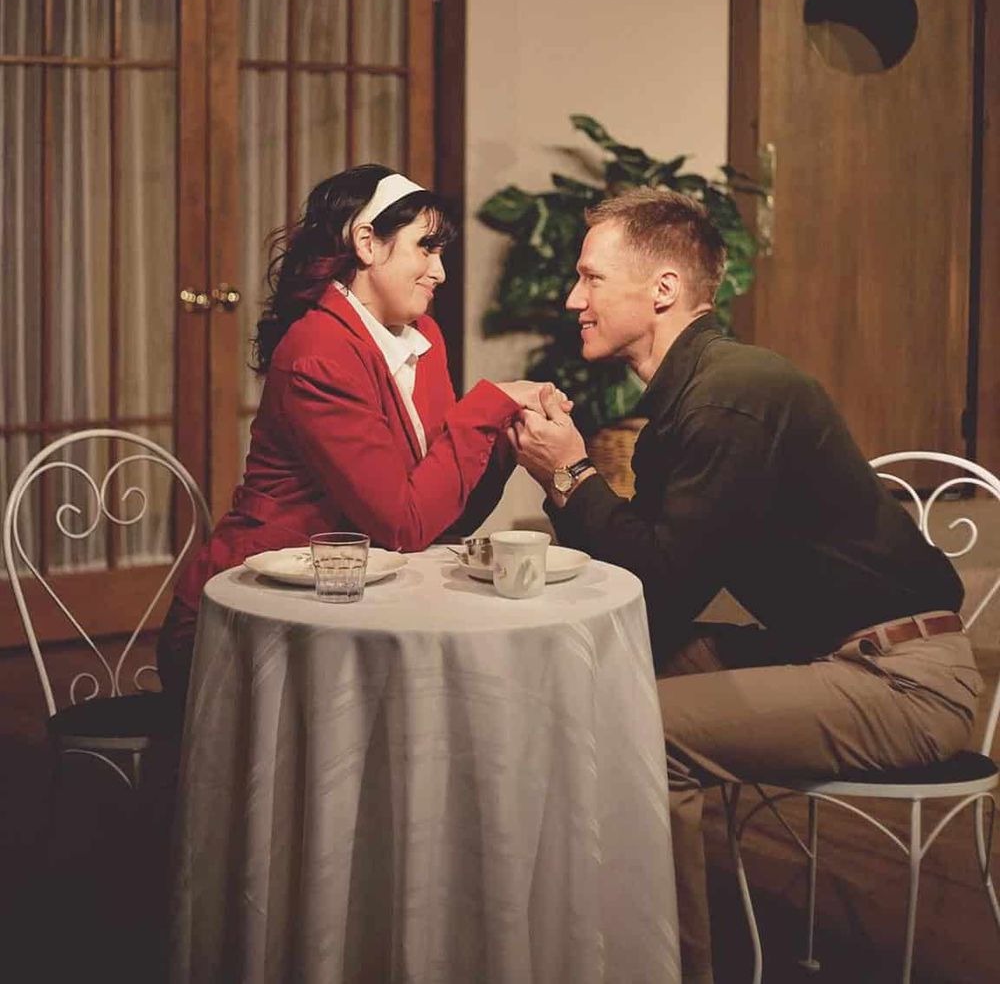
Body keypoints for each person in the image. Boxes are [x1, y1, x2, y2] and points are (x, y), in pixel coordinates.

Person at [510, 185, 981, 984]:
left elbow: (659, 585)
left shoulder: (731, 397)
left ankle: (671, 968)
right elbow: (644, 576)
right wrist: (569, 479)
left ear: (662, 289)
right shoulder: (695, 398)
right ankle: (565, 935)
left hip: (904, 681)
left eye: (590, 278)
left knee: (641, 727)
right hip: (831, 655)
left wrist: (572, 472)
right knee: (608, 671)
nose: (572, 298)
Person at [159, 164, 560, 701]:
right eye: (426, 248)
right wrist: (486, 406)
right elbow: (404, 525)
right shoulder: (318, 354)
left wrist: (504, 440)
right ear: (367, 243)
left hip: (354, 594)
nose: (440, 272)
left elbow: (438, 517)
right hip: (265, 613)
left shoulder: (424, 338)